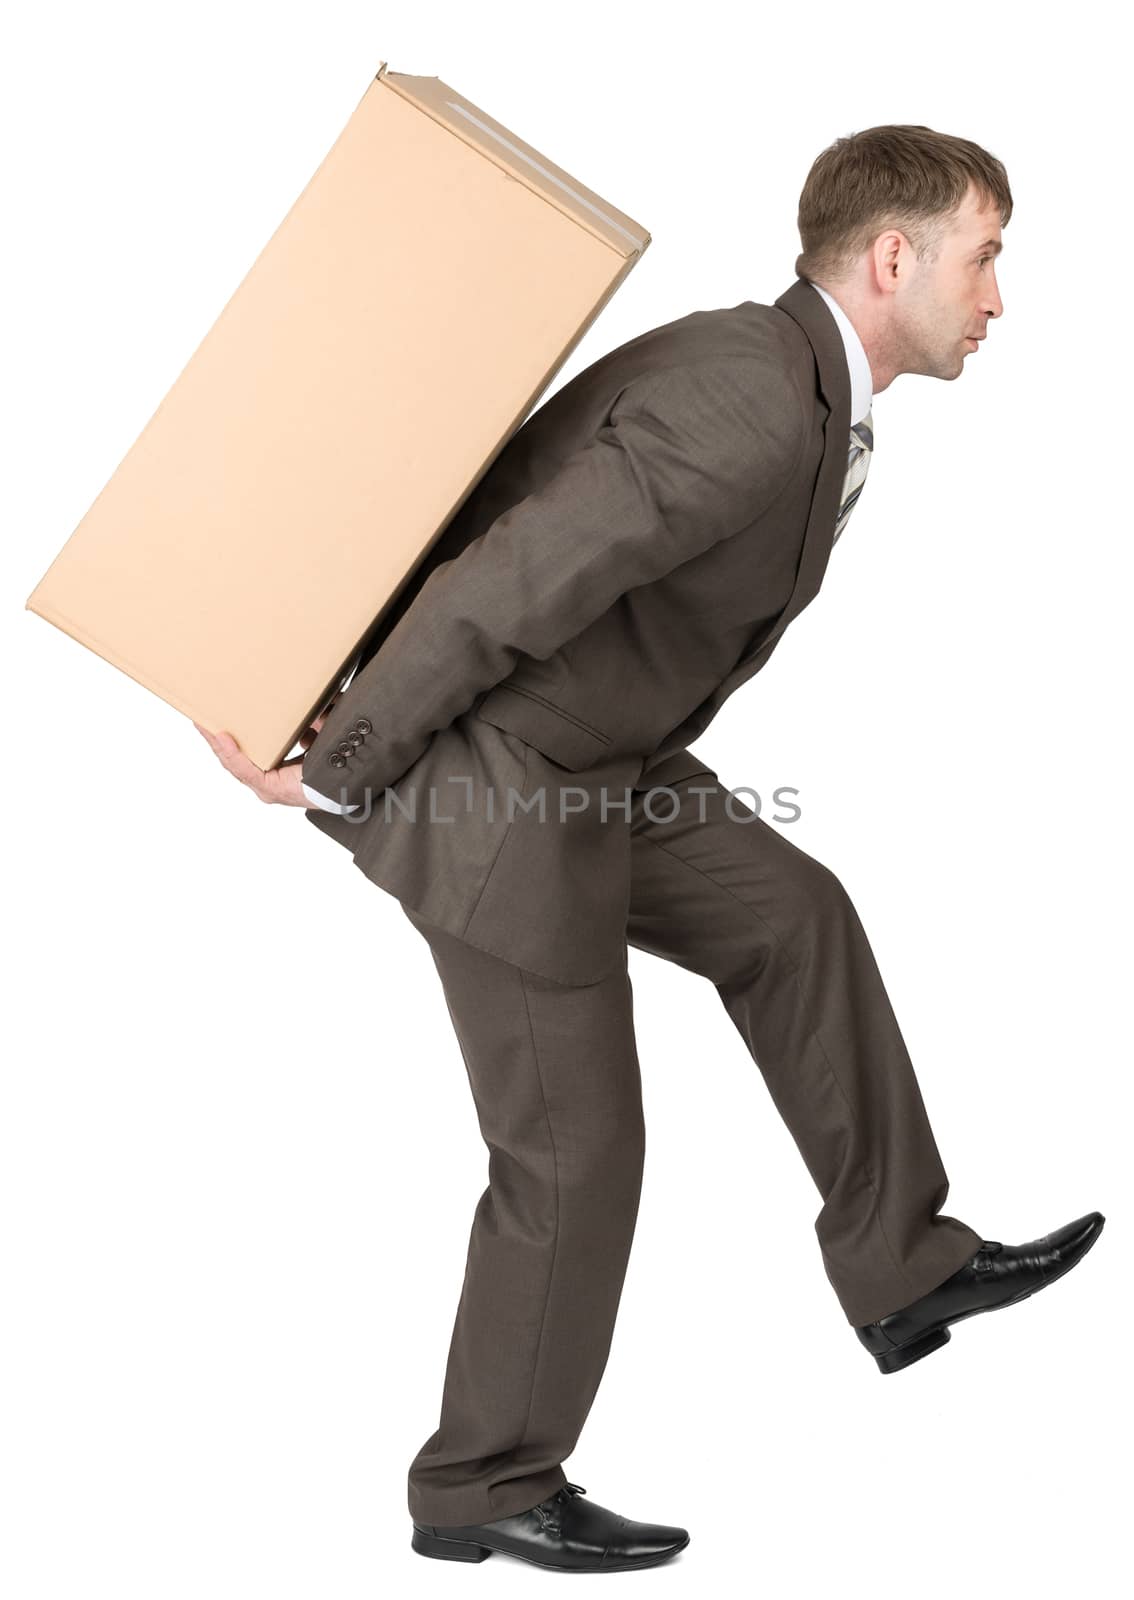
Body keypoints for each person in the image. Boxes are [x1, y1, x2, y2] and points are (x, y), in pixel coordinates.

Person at [196, 124, 1104, 1575]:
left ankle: (900, 1268)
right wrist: (343, 766)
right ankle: (482, 1479)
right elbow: (514, 577)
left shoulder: (791, 380)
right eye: (985, 259)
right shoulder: (751, 399)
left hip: (599, 764)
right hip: (493, 783)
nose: (997, 300)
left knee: (789, 916)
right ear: (892, 259)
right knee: (573, 1147)